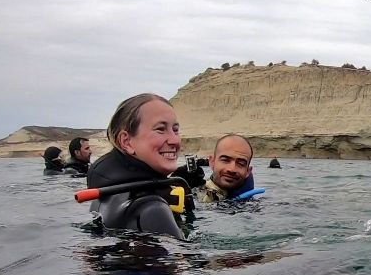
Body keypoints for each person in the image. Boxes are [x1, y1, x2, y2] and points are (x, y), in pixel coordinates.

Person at [85, 93, 189, 240]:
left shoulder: (104, 196)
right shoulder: (153, 209)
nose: (174, 140)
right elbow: (184, 260)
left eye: (175, 129)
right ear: (127, 142)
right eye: (160, 129)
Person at [193, 134, 256, 202]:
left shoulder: (252, 205)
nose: (231, 169)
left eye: (241, 164)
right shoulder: (194, 193)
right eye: (225, 160)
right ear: (212, 162)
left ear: (248, 172)